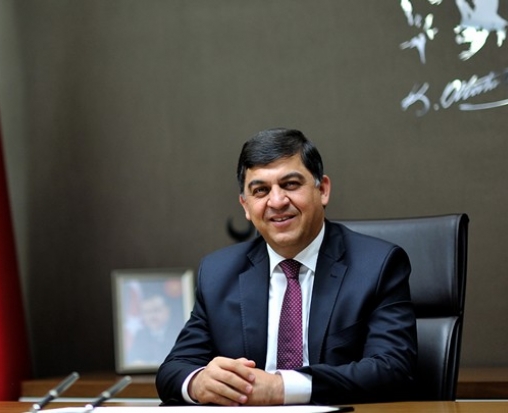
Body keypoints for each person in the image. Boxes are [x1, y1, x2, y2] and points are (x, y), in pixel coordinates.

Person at [155, 128, 417, 406]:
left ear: (322, 190)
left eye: (290, 184)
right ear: (245, 206)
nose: (277, 201)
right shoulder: (218, 273)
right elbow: (174, 369)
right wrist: (199, 383)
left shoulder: (377, 265)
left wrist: (281, 388)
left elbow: (393, 369)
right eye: (261, 190)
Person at [126, 293, 178, 366]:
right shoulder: (140, 335)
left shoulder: (178, 332)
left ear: (167, 311)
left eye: (156, 310)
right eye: (147, 312)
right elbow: (134, 361)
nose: (152, 316)